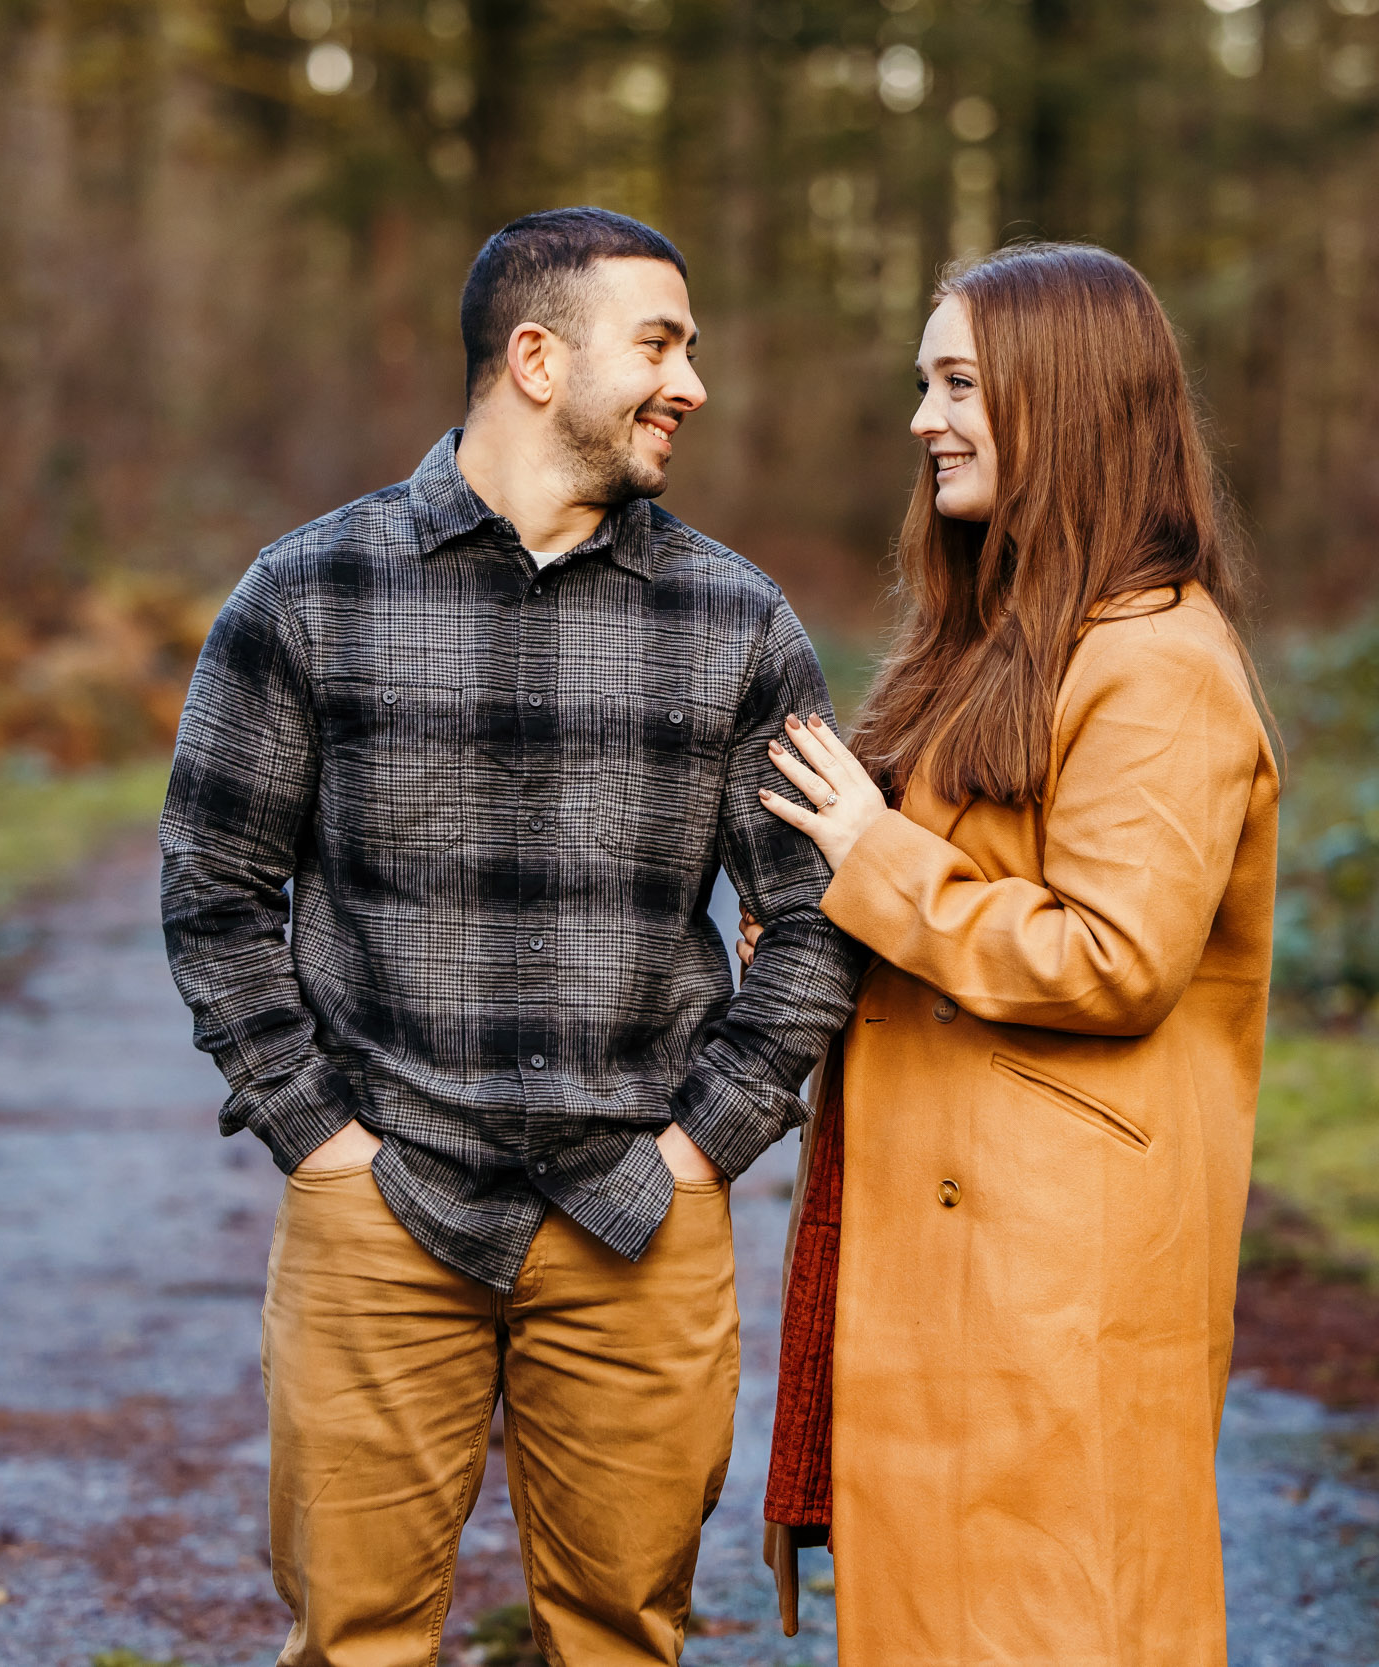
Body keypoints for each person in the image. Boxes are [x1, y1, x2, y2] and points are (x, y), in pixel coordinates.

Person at [158, 207, 865, 1665]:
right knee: (356, 1640)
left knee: (624, 1638)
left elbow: (812, 913)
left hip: (639, 1215)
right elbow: (216, 889)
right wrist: (317, 1138)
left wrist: (705, 1142)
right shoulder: (308, 593)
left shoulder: (737, 619)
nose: (693, 383)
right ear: (536, 358)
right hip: (380, 1208)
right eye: (661, 344)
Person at [747, 242, 1280, 1663]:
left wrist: (871, 858)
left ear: (1071, 399)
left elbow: (1115, 957)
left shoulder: (1160, 662)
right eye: (925, 382)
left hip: (1058, 1277)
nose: (925, 417)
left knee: (1059, 1621)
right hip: (957, 1261)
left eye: (961, 382)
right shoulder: (1002, 639)